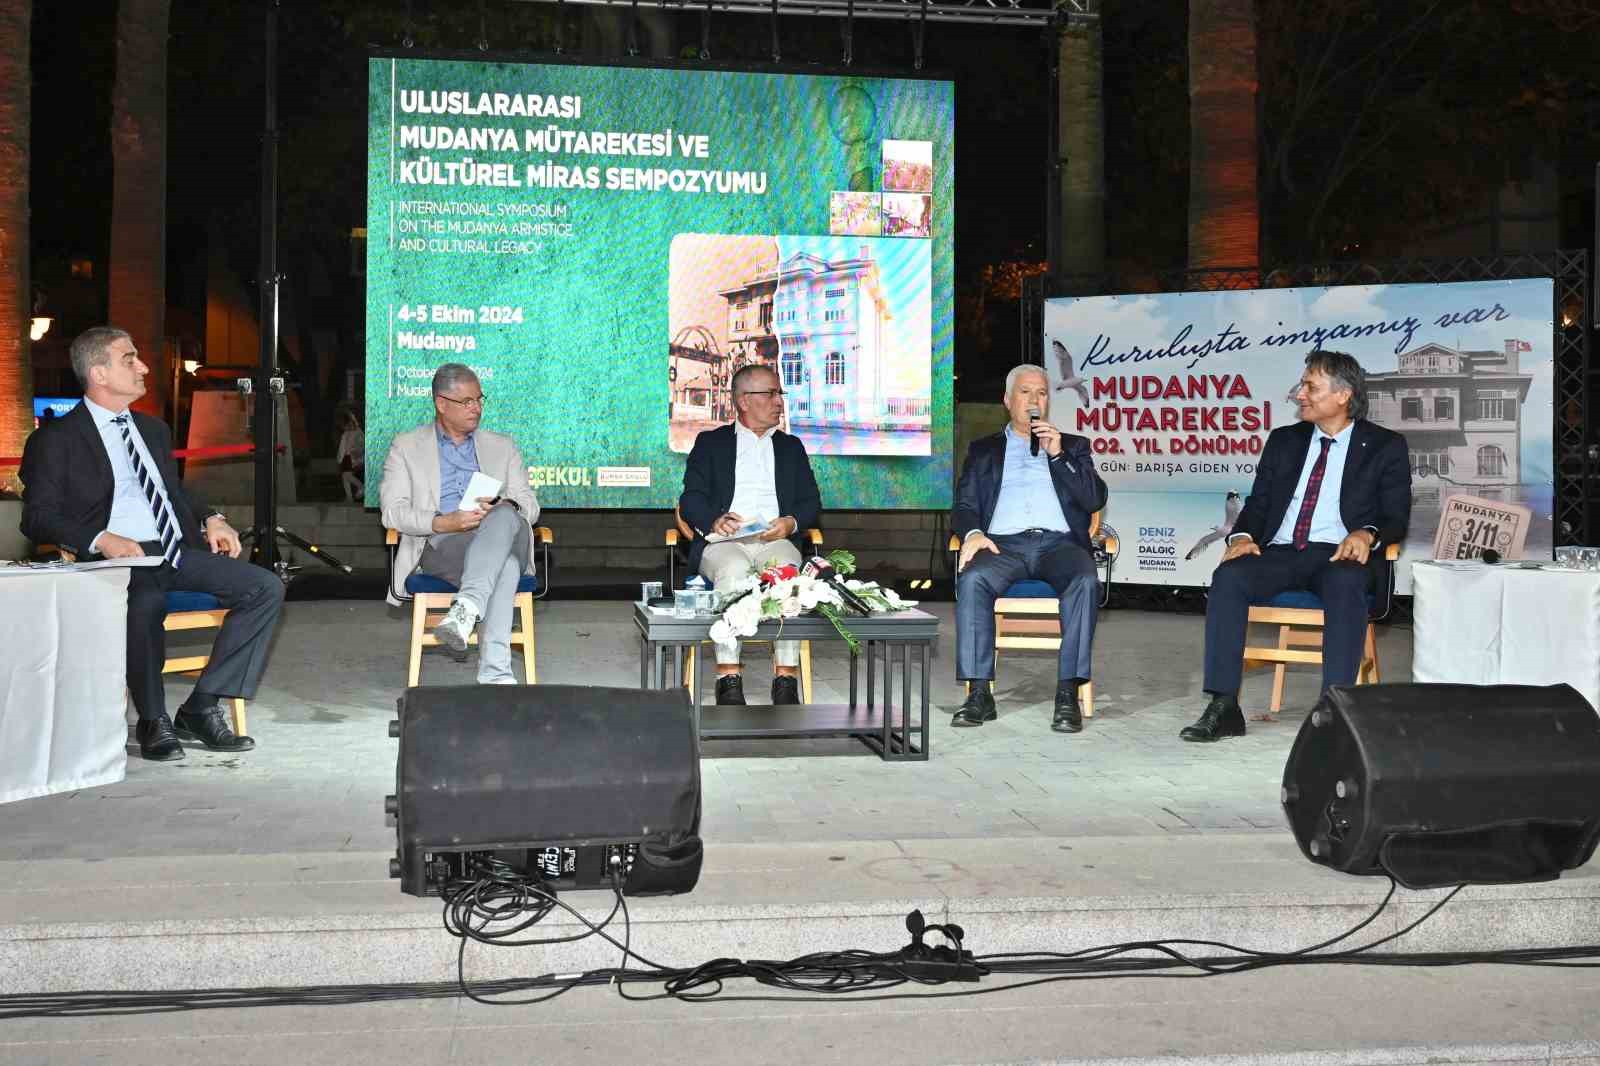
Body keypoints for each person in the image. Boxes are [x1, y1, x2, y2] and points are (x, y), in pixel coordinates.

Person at [19, 327, 282, 761]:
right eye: (130, 359)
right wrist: (101, 539)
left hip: (173, 549)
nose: (143, 367)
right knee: (143, 601)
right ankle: (152, 718)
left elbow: (171, 490)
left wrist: (211, 517)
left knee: (264, 587)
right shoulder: (56, 439)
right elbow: (37, 517)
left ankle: (201, 706)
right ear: (99, 373)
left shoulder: (153, 429)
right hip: (114, 560)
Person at [1180, 349, 1411, 743]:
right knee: (1229, 578)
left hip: (1338, 553)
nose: (1299, 394)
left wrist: (1365, 534)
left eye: (1310, 386)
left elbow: (1396, 515)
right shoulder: (1285, 440)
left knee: (1344, 583)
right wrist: (1242, 537)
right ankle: (1223, 705)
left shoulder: (1385, 445)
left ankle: (1333, 711)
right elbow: (1259, 503)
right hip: (1282, 553)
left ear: (1343, 395)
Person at [950, 364, 1109, 734]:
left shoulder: (1073, 446)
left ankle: (1067, 692)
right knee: (972, 580)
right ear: (1008, 401)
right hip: (1002, 545)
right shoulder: (984, 449)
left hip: (1060, 544)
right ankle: (978, 694)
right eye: (1025, 392)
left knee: (1085, 580)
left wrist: (1058, 456)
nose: (1034, 400)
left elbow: (1094, 497)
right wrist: (972, 533)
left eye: (1041, 393)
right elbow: (964, 505)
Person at [381, 363, 540, 684]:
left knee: (506, 514)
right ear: (441, 404)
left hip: (507, 531)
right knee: (505, 566)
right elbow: (392, 513)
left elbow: (531, 507)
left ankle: (466, 607)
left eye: (480, 399)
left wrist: (504, 504)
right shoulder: (407, 446)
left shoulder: (502, 446)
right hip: (446, 544)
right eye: (467, 402)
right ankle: (495, 673)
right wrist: (443, 523)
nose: (477, 408)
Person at [679, 363, 821, 706]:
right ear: (743, 401)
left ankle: (785, 679)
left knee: (788, 575)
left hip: (775, 539)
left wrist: (790, 523)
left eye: (779, 394)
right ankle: (729, 676)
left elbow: (811, 501)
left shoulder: (791, 447)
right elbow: (691, 498)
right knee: (734, 572)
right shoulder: (711, 443)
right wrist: (714, 520)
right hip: (725, 542)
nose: (779, 402)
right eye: (770, 393)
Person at [336, 410, 365, 503]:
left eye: (345, 425)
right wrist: (340, 459)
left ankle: (362, 487)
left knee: (346, 475)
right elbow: (342, 447)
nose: (344, 427)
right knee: (345, 477)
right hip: (347, 457)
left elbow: (362, 445)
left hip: (353, 457)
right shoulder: (346, 433)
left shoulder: (357, 432)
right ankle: (349, 497)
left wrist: (358, 452)